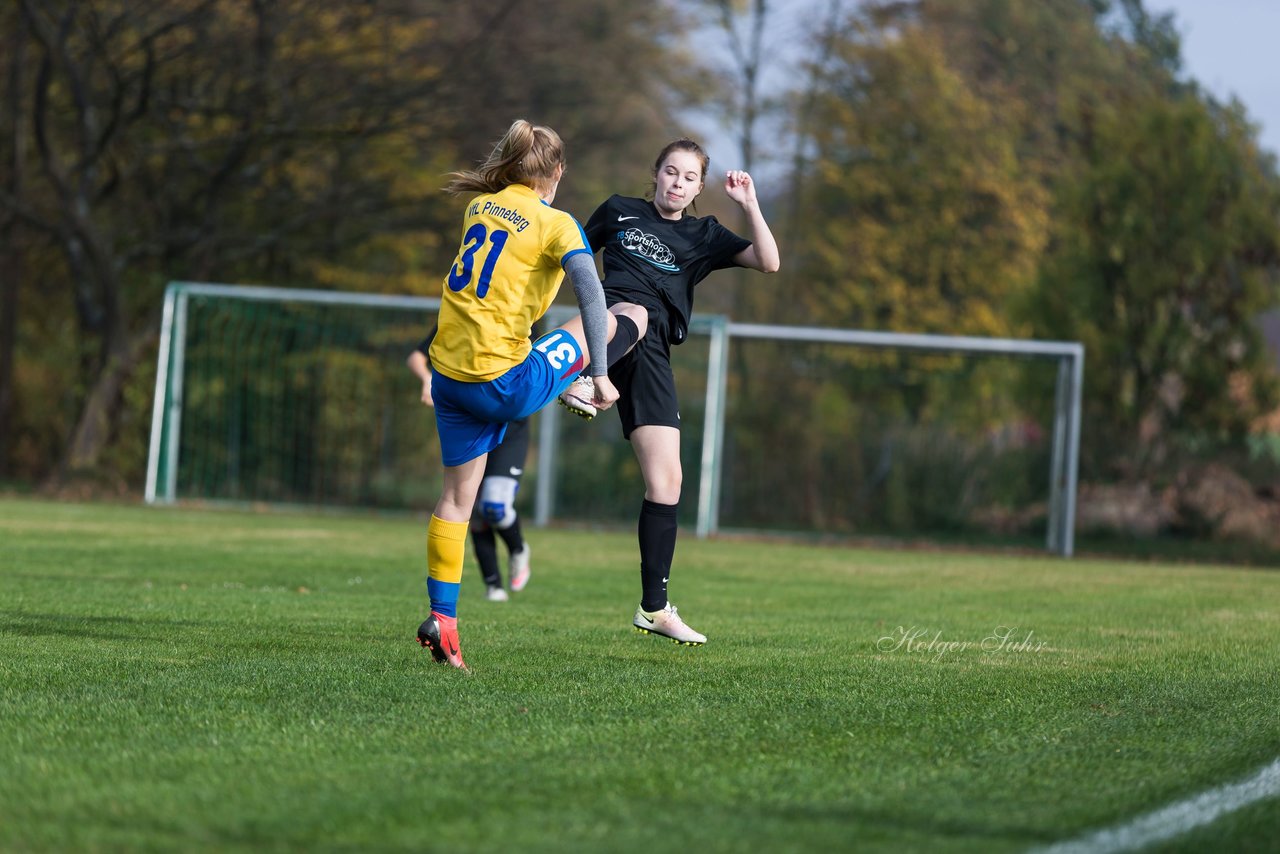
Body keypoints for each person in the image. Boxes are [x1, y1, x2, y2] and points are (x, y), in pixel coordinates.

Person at [416, 119, 649, 671]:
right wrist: (605, 374)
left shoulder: (480, 207)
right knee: (627, 313)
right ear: (558, 173)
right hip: (503, 383)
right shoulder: (558, 223)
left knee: (456, 502)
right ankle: (579, 380)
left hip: (450, 378)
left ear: (513, 167)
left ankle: (443, 621)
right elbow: (592, 301)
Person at [559, 138, 780, 646]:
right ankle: (589, 380)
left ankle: (653, 609)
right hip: (610, 329)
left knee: (668, 483)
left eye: (688, 178)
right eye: (670, 172)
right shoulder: (618, 211)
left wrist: (749, 204)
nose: (677, 184)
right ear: (655, 173)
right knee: (632, 311)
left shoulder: (704, 234)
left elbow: (769, 262)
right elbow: (567, 259)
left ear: (699, 187)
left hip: (654, 352)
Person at [408, 330, 533, 602]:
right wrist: (426, 379)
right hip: (472, 424)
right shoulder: (460, 316)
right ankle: (493, 586)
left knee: (494, 506)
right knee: (471, 509)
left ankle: (518, 548)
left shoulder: (516, 316)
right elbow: (417, 356)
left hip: (510, 429)